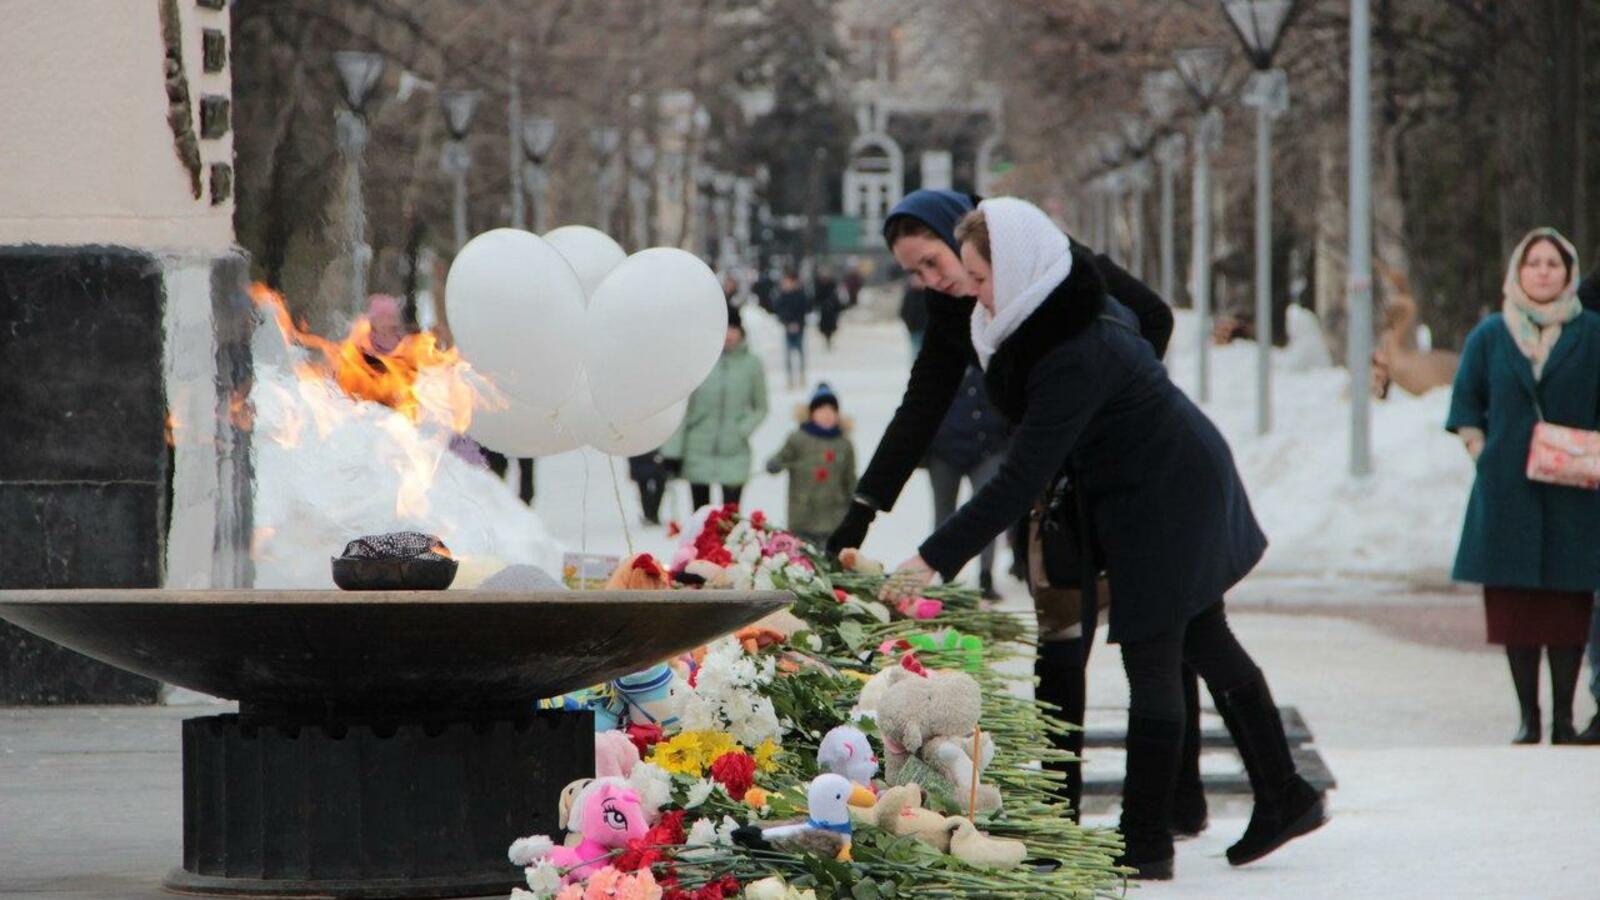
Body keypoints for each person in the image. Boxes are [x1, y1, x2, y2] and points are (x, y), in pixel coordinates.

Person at [879, 198, 1326, 880]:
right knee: (1205, 638)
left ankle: (1144, 841)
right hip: (1154, 486)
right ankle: (1284, 794)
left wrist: (930, 559)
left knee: (1153, 658)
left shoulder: (1071, 349)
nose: (971, 289)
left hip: (1169, 496)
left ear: (1019, 266)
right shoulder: (1038, 323)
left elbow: (1018, 476)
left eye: (978, 274)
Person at [824, 189, 1199, 838]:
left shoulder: (1050, 267)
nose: (932, 285)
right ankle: (1061, 812)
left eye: (933, 265)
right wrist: (862, 509)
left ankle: (1179, 805)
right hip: (1050, 482)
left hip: (1120, 472)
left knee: (1176, 642)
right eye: (914, 274)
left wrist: (1106, 411)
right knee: (1063, 640)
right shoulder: (952, 305)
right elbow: (921, 407)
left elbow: (1153, 317)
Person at [1446, 227, 1600, 746]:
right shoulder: (1491, 333)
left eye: (1553, 264)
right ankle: (1527, 717)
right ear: (1517, 271)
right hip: (1507, 487)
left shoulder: (1592, 333)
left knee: (1567, 603)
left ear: (1568, 273)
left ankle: (1562, 718)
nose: (1542, 271)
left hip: (1574, 488)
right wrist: (1480, 452)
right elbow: (1466, 401)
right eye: (1533, 262)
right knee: (1515, 607)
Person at [662, 307, 768, 510]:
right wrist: (672, 452)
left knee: (730, 520)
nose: (729, 334)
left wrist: (742, 429)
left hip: (734, 451)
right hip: (698, 449)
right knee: (702, 519)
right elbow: (682, 408)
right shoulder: (700, 362)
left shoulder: (752, 365)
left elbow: (761, 407)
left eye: (734, 328)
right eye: (725, 328)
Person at [927, 364, 1007, 601]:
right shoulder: (941, 363)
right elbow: (923, 407)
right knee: (944, 515)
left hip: (987, 450)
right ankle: (945, 573)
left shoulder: (994, 357)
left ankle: (985, 574)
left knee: (988, 512)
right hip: (943, 453)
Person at [765, 383, 858, 546]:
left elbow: (849, 477)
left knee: (829, 561)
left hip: (834, 516)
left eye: (832, 410)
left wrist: (855, 503)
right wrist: (774, 464)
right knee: (803, 561)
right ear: (812, 412)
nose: (827, 414)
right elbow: (782, 458)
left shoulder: (844, 444)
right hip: (802, 517)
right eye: (821, 410)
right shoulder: (798, 439)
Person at [774, 270, 810, 389]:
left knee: (800, 352)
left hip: (799, 327)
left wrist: (797, 323)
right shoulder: (783, 295)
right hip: (788, 327)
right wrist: (787, 323)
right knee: (788, 354)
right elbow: (779, 310)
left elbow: (805, 309)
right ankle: (790, 379)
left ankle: (801, 376)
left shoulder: (801, 294)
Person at [628, 451, 669, 526]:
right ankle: (650, 514)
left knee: (649, 489)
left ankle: (650, 514)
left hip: (644, 458)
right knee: (647, 489)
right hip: (642, 458)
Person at [898, 272, 929, 358]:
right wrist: (909, 324)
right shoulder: (909, 295)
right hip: (914, 329)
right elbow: (903, 311)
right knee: (916, 352)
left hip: (928, 330)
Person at [815, 269, 843, 351]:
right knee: (824, 327)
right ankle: (827, 339)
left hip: (832, 310)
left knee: (831, 327)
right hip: (823, 311)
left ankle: (829, 340)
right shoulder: (819, 285)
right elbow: (817, 297)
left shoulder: (833, 285)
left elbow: (837, 298)